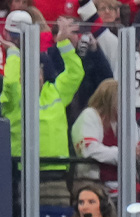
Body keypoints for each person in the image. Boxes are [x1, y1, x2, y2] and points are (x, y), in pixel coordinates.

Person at [1, 15, 82, 202]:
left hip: (56, 176)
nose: (34, 75)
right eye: (26, 70)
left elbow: (75, 73)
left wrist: (63, 44)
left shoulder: (55, 92)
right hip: (20, 173)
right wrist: (13, 54)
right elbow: (11, 85)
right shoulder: (13, 97)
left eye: (37, 69)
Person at [71, 78, 140, 195]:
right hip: (94, 185)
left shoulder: (126, 119)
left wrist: (138, 153)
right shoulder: (89, 116)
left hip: (126, 185)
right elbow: (90, 150)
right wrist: (126, 154)